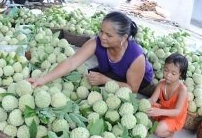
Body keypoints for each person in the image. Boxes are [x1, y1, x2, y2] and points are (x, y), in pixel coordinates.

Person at [28, 11, 156, 96]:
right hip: (112, 71)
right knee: (90, 78)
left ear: (123, 38)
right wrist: (42, 80)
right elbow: (71, 62)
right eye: (101, 31)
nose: (102, 37)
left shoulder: (136, 56)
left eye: (108, 35)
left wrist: (106, 80)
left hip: (137, 80)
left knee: (110, 87)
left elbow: (132, 89)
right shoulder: (96, 42)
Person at [146, 53, 189, 138]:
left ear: (180, 74)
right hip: (163, 110)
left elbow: (177, 112)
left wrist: (159, 112)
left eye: (173, 73)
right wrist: (144, 105)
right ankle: (161, 122)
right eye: (166, 70)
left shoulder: (182, 90)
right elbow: (153, 99)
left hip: (174, 117)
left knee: (157, 130)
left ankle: (170, 134)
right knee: (146, 110)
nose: (168, 75)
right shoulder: (161, 83)